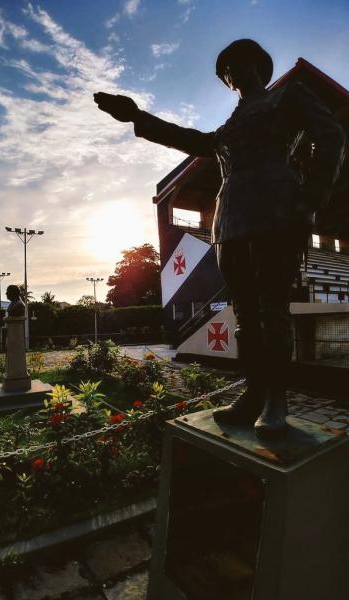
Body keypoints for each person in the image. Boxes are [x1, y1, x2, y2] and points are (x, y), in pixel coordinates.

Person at [94, 39, 345, 437]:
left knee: (273, 311)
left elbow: (331, 135)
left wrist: (311, 198)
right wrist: (137, 116)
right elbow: (190, 139)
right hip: (231, 221)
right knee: (245, 316)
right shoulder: (228, 128)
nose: (232, 73)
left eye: (238, 64)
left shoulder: (286, 98)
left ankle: (276, 399)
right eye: (226, 71)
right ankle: (254, 393)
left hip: (276, 212)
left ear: (258, 66)